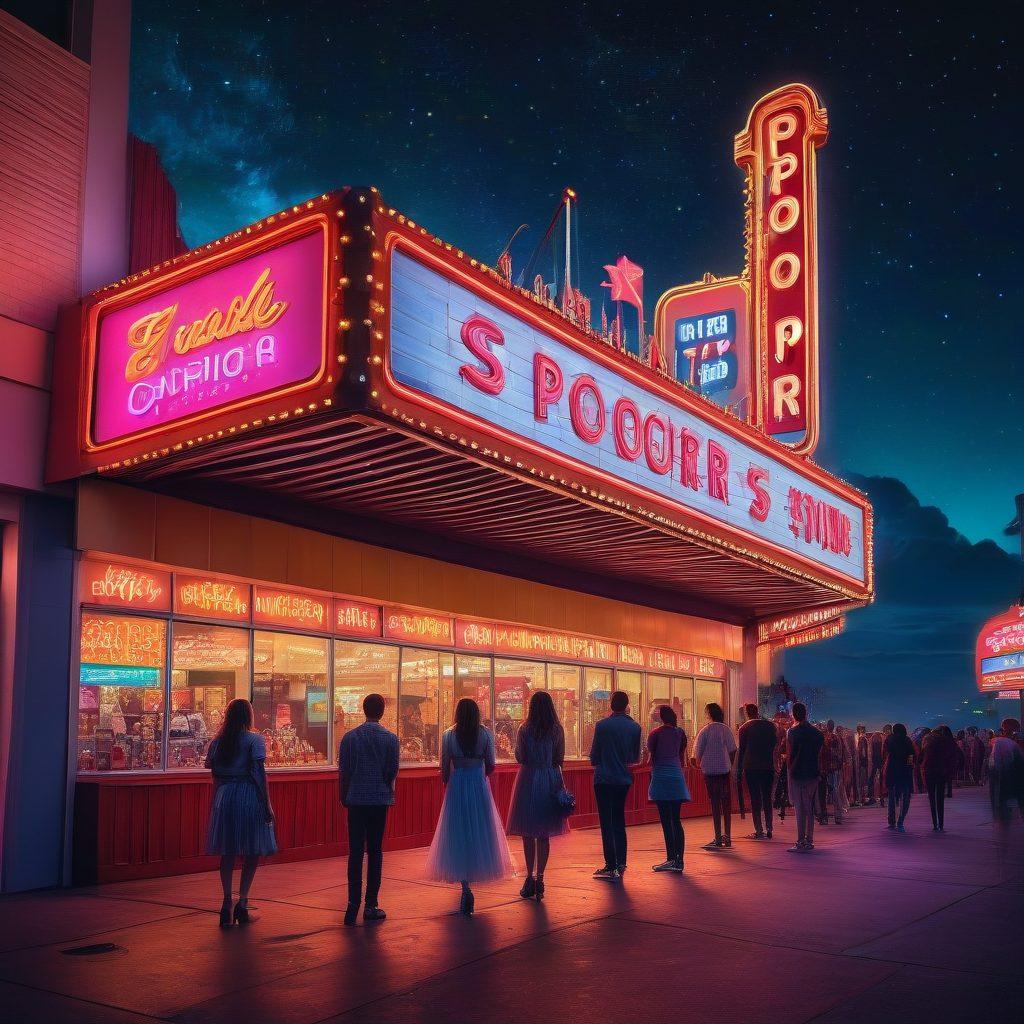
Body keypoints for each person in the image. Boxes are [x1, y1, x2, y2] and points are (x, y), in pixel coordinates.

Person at [426, 698, 514, 914]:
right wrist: (479, 774)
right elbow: (491, 764)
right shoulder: (484, 734)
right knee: (479, 830)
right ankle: (474, 874)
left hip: (457, 785)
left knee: (457, 831)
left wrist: (448, 781)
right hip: (477, 784)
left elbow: (444, 765)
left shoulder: (448, 735)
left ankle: (465, 886)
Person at [204, 698, 277, 927]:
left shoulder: (218, 742)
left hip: (224, 796)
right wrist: (267, 804)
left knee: (228, 850)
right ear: (249, 716)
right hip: (247, 794)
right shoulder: (255, 740)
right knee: (252, 849)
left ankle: (226, 901)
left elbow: (214, 774)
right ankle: (242, 901)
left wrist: (217, 801)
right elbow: (258, 774)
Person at [338, 693, 400, 925]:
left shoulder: (350, 738)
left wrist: (343, 795)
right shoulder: (391, 739)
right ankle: (371, 904)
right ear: (382, 711)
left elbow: (343, 771)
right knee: (375, 851)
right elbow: (392, 770)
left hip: (355, 799)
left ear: (364, 710)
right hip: (379, 800)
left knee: (355, 851)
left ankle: (352, 905)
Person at [506, 691, 570, 900]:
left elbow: (520, 756)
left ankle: (529, 877)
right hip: (550, 778)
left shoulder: (525, 728)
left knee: (527, 831)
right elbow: (559, 758)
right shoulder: (556, 729)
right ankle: (541, 878)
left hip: (528, 778)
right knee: (544, 833)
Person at [589, 690, 642, 880]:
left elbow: (594, 756)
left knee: (606, 821)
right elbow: (634, 757)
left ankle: (610, 864)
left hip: (604, 778)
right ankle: (621, 861)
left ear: (612, 703)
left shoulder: (602, 726)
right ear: (627, 705)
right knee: (619, 820)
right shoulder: (635, 727)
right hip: (624, 778)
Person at [646, 705, 690, 870]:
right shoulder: (680, 733)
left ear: (660, 717)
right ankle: (679, 861)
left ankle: (671, 858)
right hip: (677, 778)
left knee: (666, 820)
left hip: (661, 778)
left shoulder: (655, 734)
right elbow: (680, 754)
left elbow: (650, 760)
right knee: (676, 819)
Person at [693, 702, 737, 849]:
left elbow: (697, 754)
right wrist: (729, 764)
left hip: (710, 772)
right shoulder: (726, 730)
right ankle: (728, 837)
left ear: (709, 714)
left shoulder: (705, 731)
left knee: (715, 805)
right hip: (724, 771)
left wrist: (698, 763)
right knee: (726, 804)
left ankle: (718, 837)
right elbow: (732, 750)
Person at [736, 703, 778, 840]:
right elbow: (774, 745)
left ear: (747, 713)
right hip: (768, 766)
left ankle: (759, 830)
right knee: (767, 797)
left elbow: (742, 750)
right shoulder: (770, 726)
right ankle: (770, 827)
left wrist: (738, 768)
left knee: (755, 798)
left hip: (751, 766)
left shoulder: (744, 728)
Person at [786, 702, 823, 852]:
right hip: (813, 773)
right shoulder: (817, 733)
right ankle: (810, 840)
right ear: (806, 713)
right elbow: (819, 754)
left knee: (799, 809)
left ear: (794, 714)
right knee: (809, 807)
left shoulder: (792, 732)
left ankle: (800, 840)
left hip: (797, 773)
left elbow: (789, 755)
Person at [920, 724, 961, 832]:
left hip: (929, 771)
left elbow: (921, 756)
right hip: (942, 772)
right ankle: (941, 824)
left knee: (932, 798)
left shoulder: (927, 739)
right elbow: (958, 756)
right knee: (940, 799)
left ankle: (935, 824)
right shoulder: (948, 741)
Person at [988, 718, 1023, 822]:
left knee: (1002, 795)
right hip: (1008, 774)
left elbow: (994, 761)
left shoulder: (999, 742)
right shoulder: (1009, 743)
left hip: (1003, 773)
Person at [883, 723, 916, 832]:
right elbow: (911, 755)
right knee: (905, 798)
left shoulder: (889, 740)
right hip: (904, 773)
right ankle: (901, 821)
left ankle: (891, 821)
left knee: (892, 798)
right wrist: (909, 767)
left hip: (892, 771)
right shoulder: (907, 740)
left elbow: (886, 753)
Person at [819, 720, 848, 825]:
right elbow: (842, 753)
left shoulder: (826, 738)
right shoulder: (837, 738)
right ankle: (838, 815)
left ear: (828, 726)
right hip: (835, 768)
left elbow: (823, 753)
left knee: (825, 792)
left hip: (826, 768)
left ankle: (825, 816)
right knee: (835, 791)